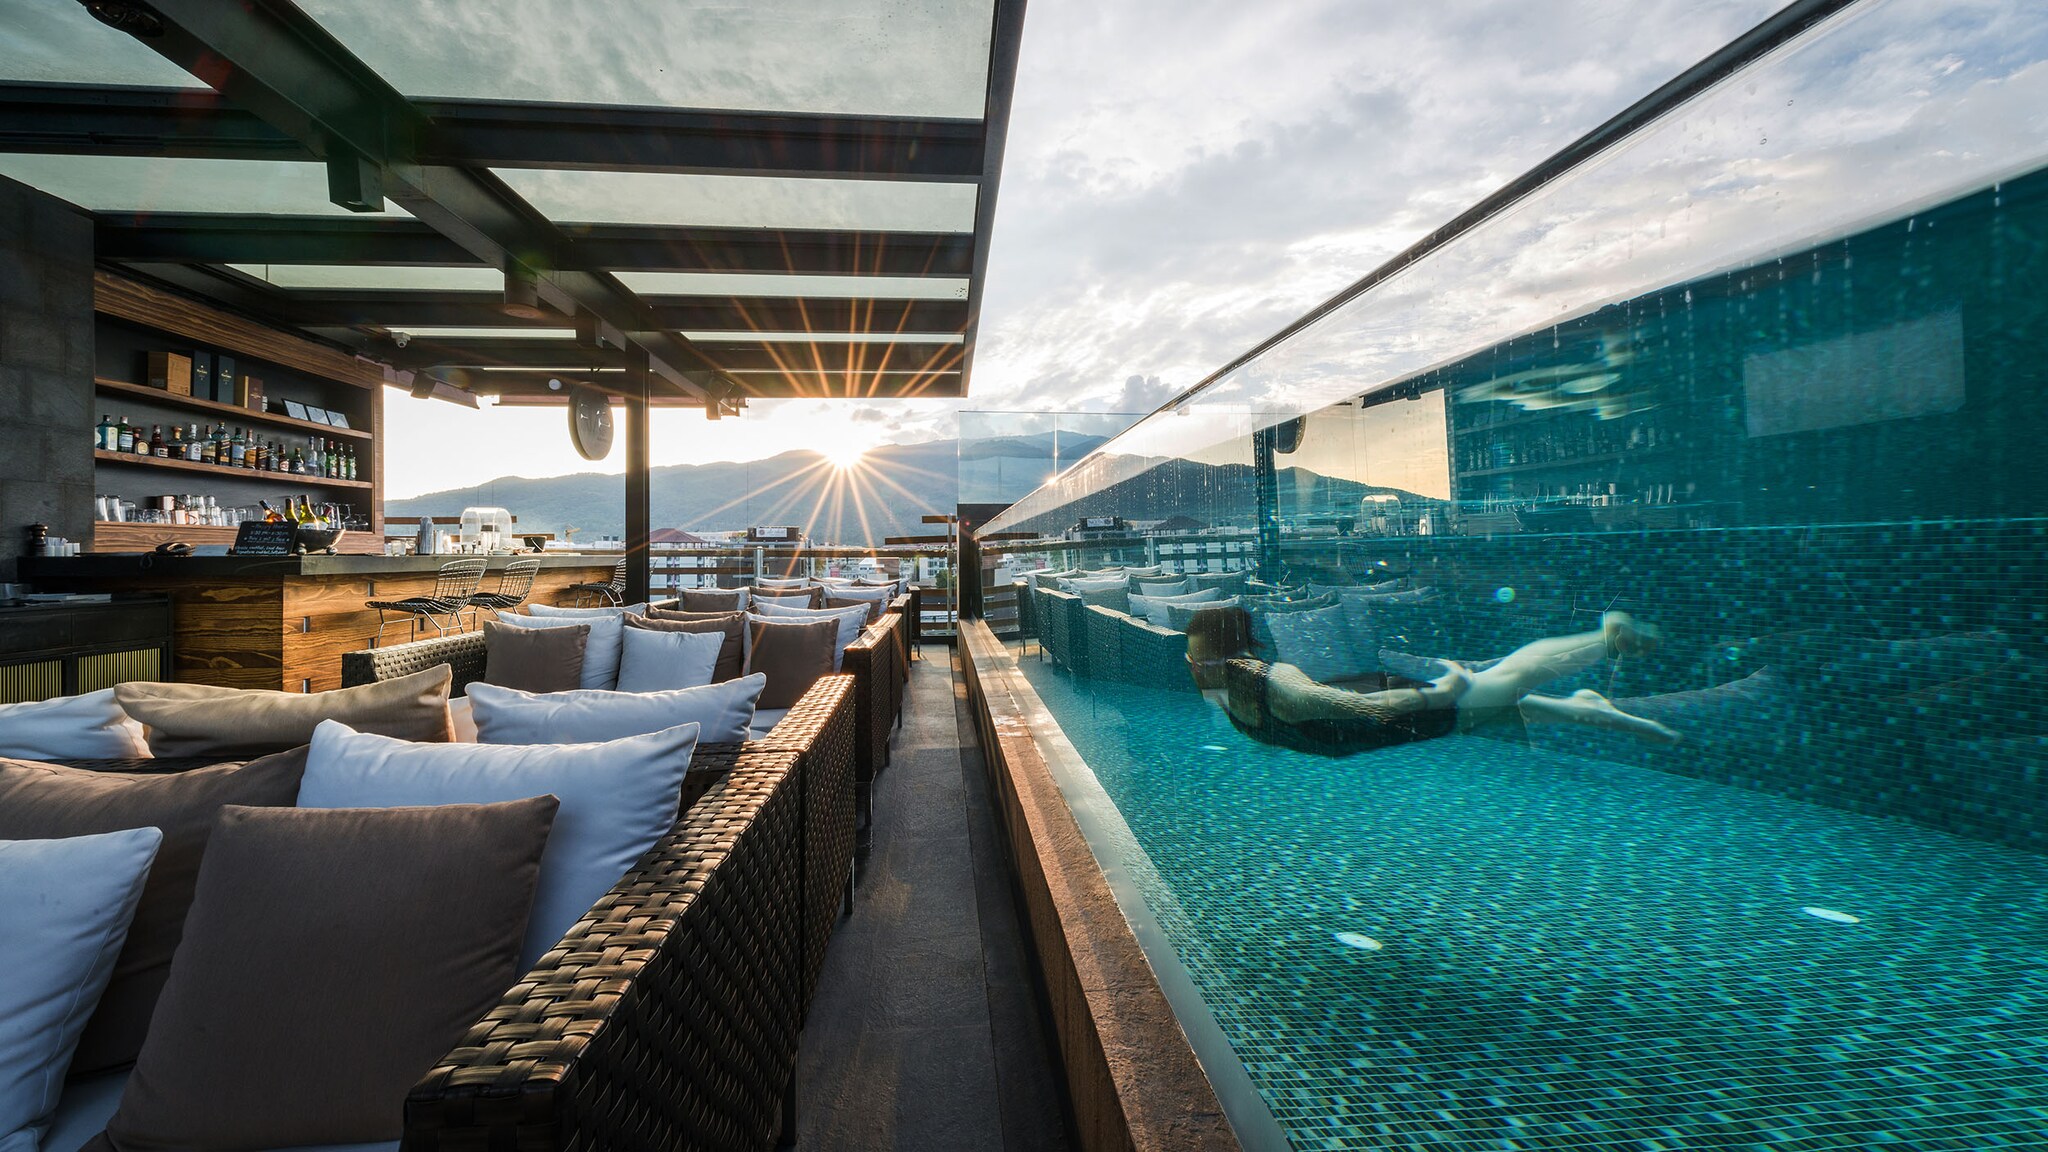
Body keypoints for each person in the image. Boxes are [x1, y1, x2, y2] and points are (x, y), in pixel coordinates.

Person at [1187, 607, 1680, 755]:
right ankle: (1586, 706)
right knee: (1502, 702)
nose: (1193, 668)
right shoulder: (1230, 692)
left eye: (1200, 660)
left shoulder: (1276, 685)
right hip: (1395, 719)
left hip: (1408, 710)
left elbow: (1370, 710)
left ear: (1232, 657)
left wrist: (1441, 692)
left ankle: (1607, 638)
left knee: (1506, 680)